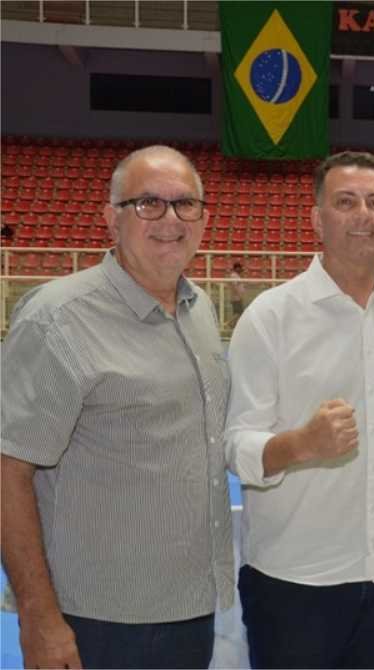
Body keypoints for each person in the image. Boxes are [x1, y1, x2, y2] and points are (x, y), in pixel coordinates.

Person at [1, 145, 233, 669]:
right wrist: (38, 616)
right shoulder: (59, 319)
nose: (170, 219)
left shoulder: (198, 311)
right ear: (111, 218)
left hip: (189, 609)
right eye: (148, 203)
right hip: (94, 620)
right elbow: (8, 469)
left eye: (185, 204)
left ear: (203, 218)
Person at [223, 151, 374, 668]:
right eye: (345, 202)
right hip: (294, 580)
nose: (363, 214)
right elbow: (235, 444)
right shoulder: (270, 316)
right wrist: (301, 444)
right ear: (317, 219)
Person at [228, 261, 246, 327]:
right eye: (239, 268)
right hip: (236, 298)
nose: (240, 269)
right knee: (239, 312)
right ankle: (229, 323)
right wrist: (239, 295)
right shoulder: (234, 276)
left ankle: (233, 325)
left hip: (237, 297)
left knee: (237, 313)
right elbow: (234, 286)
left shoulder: (237, 276)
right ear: (236, 268)